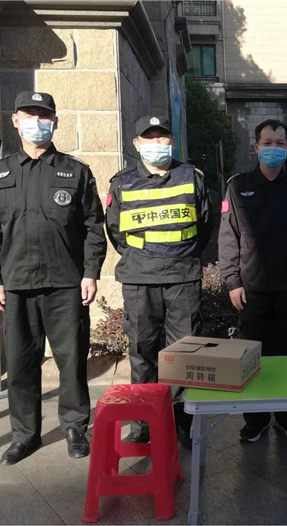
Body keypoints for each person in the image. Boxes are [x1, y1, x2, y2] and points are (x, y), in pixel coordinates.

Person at [0, 91, 107, 465]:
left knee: (72, 361)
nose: (37, 121)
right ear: (15, 120)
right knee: (21, 365)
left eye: (44, 115)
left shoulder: (75, 171)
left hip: (65, 284)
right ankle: (24, 435)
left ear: (55, 122)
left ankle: (75, 428)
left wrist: (90, 273)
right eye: (29, 114)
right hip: (16, 285)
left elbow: (93, 227)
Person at [105, 115, 212, 449]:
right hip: (140, 278)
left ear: (172, 141)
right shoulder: (122, 183)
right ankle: (142, 423)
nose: (156, 144)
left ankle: (184, 420)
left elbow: (204, 225)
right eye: (148, 138)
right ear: (136, 144)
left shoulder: (192, 177)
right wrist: (144, 257)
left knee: (184, 352)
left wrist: (181, 255)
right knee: (142, 350)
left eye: (162, 137)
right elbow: (115, 231)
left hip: (182, 276)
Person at [219, 119, 287, 442]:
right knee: (253, 357)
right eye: (267, 143)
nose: (273, 149)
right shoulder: (238, 186)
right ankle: (256, 419)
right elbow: (228, 237)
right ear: (256, 147)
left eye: (279, 143)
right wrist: (232, 281)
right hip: (251, 291)